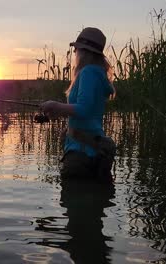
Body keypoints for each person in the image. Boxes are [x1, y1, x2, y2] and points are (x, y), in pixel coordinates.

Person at [40, 27, 116, 183]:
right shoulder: (98, 73)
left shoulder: (88, 72)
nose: (75, 52)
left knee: (73, 202)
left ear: (84, 51)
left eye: (76, 49)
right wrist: (59, 111)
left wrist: (56, 105)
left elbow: (84, 109)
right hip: (93, 147)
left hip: (81, 153)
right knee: (93, 203)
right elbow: (87, 110)